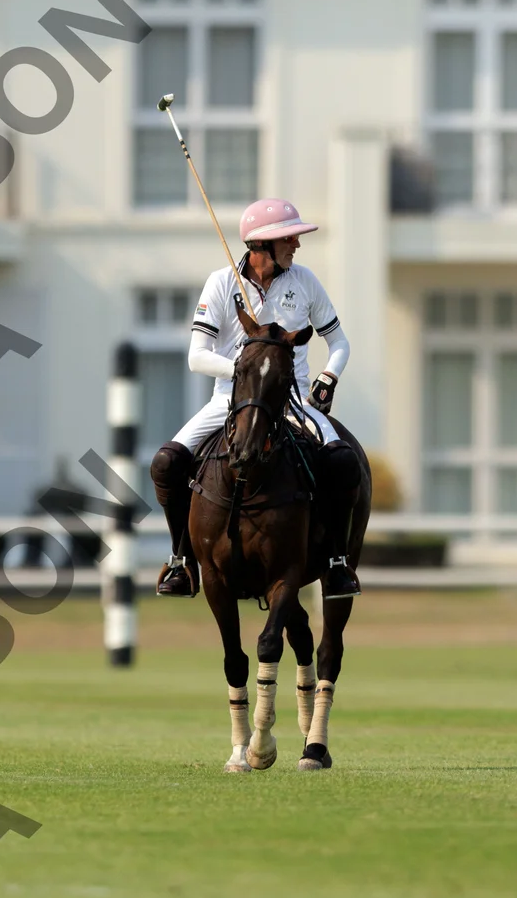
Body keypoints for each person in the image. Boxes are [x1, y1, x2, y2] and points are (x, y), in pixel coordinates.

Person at [147, 198, 360, 600]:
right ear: (261, 245)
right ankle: (181, 560)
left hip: (292, 402)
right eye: (289, 238)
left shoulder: (305, 281)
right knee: (165, 463)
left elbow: (339, 343)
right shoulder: (222, 283)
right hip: (228, 400)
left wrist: (328, 376)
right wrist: (247, 375)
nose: (296, 244)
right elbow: (196, 357)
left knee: (343, 462)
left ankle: (335, 562)